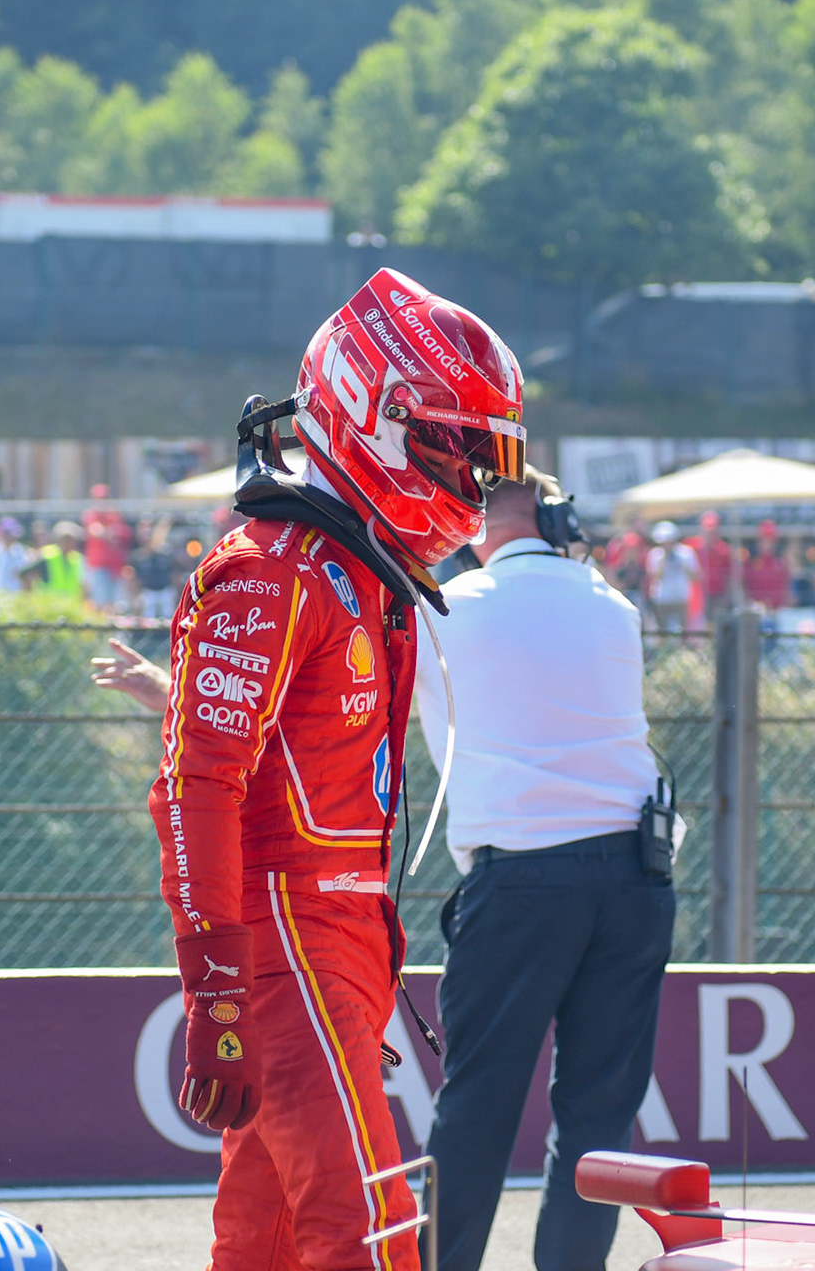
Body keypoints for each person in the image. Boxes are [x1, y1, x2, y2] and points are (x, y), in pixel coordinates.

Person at [147, 267, 525, 1271]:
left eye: (486, 457)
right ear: (373, 412)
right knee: (371, 1235)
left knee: (262, 1246)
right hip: (290, 939)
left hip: (338, 939)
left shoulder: (353, 568)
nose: (473, 484)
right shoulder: (269, 570)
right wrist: (216, 990)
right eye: (455, 447)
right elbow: (193, 785)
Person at [411, 469, 673, 1271]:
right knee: (600, 1116)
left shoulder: (445, 608)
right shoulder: (614, 607)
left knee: (476, 1105)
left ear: (467, 523)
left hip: (520, 879)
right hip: (633, 876)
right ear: (558, 519)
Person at [643, 520, 698, 632]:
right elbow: (655, 576)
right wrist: (664, 559)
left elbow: (695, 575)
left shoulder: (686, 553)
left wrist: (682, 563)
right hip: (663, 597)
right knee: (662, 629)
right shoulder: (655, 554)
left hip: (681, 596)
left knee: (683, 629)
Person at [84, 485, 132, 611]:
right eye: (100, 499)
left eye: (105, 498)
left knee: (116, 603)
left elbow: (124, 534)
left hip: (115, 566)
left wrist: (111, 533)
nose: (102, 502)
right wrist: (109, 533)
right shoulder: (91, 514)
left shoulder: (114, 515)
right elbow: (95, 531)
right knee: (101, 601)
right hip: (99, 565)